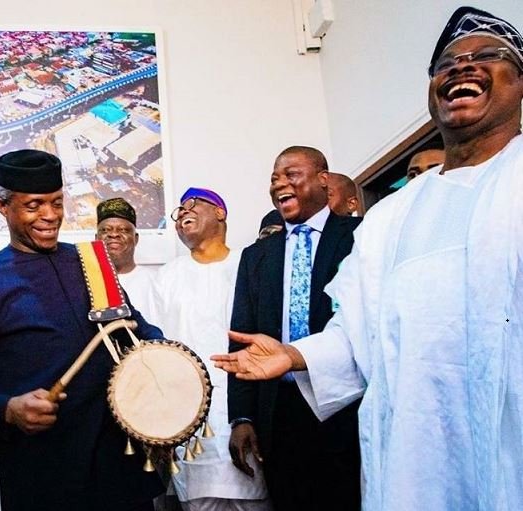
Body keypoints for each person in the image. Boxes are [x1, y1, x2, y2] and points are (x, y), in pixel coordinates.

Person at [214, 6, 523, 510]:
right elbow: (357, 333)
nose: (462, 68)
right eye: (446, 63)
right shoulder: (391, 217)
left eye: (487, 56)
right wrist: (295, 355)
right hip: (412, 464)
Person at [0, 149, 164, 511]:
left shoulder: (92, 262)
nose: (50, 216)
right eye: (34, 205)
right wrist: (6, 409)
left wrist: (170, 354)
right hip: (42, 474)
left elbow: (134, 328)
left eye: (57, 203)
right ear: (2, 207)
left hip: (120, 465)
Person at [228, 147, 361, 511]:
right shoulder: (256, 256)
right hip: (278, 411)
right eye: (274, 178)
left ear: (323, 179)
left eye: (291, 174)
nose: (279, 183)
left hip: (346, 404)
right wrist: (241, 417)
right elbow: (242, 336)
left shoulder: (360, 235)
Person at [148, 187, 269, 511]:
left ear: (220, 212)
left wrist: (248, 415)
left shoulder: (250, 264)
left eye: (194, 204)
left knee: (256, 498)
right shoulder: (167, 276)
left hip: (246, 411)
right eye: (178, 210)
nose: (183, 212)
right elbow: (154, 353)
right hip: (190, 420)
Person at [96, 197, 155, 315]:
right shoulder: (83, 281)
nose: (114, 234)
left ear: (135, 238)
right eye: (106, 230)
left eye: (123, 230)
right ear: (96, 238)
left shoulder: (155, 282)